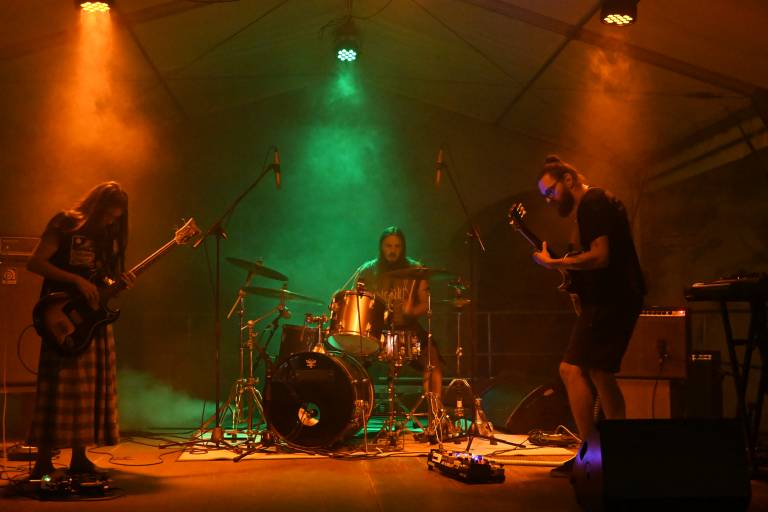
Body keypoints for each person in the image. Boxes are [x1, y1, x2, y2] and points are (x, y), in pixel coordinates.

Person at [531, 156, 645, 477]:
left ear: (568, 180)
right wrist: (574, 283)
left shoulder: (592, 203)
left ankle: (590, 454)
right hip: (619, 297)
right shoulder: (595, 205)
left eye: (550, 192)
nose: (549, 200)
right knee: (600, 373)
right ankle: (613, 454)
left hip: (612, 300)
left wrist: (554, 264)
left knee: (570, 370)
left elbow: (601, 256)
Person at [26, 181, 134, 480]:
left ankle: (79, 458)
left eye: (115, 218)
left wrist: (116, 284)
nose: (110, 222)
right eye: (107, 215)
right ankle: (43, 461)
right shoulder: (64, 223)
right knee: (57, 387)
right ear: (96, 207)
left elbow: (101, 277)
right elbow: (35, 262)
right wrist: (75, 281)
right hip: (61, 315)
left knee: (89, 388)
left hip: (93, 317)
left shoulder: (107, 235)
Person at [350, 227, 444, 426]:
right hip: (376, 330)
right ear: (381, 247)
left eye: (397, 246)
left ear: (403, 248)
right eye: (388, 246)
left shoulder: (415, 269)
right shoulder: (368, 270)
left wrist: (410, 312)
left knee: (433, 359)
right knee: (353, 362)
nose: (392, 250)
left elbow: (425, 304)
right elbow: (354, 300)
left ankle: (435, 417)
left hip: (407, 327)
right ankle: (356, 414)